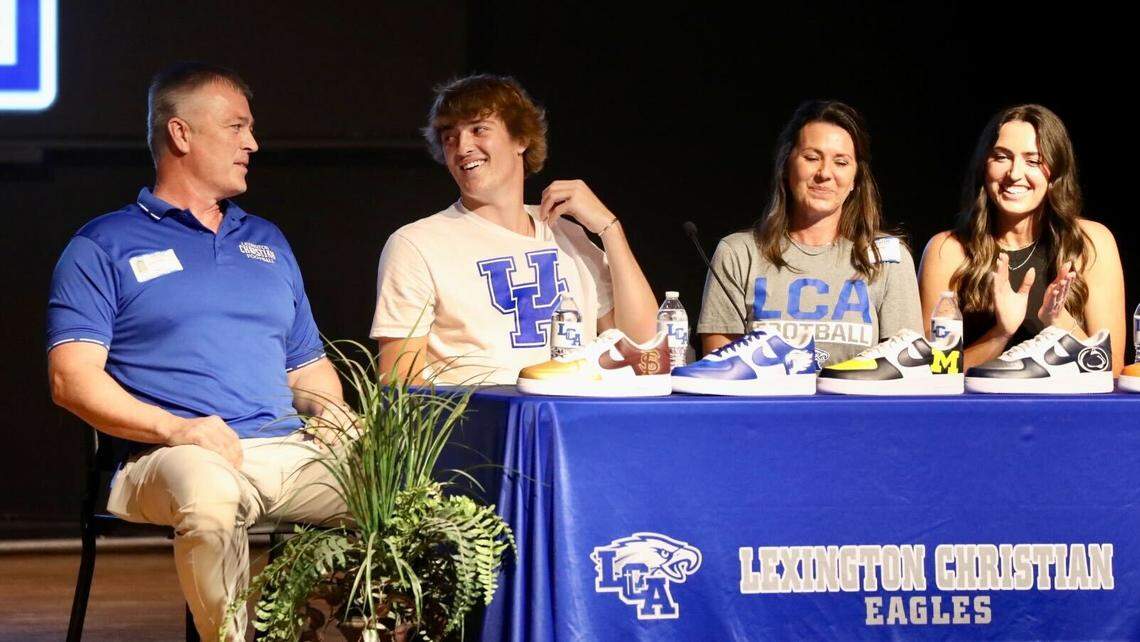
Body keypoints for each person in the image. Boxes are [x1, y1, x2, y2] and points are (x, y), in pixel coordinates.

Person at [47, 63, 349, 642]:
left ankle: (310, 624)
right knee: (209, 493)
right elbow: (71, 380)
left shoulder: (268, 242)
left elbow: (306, 367)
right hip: (163, 458)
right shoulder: (102, 245)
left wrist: (332, 414)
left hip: (284, 449)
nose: (252, 144)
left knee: (399, 490)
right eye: (237, 127)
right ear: (182, 135)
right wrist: (176, 429)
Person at [371, 74, 658, 384]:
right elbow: (400, 382)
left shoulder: (567, 236)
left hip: (572, 426)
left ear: (521, 139)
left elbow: (643, 345)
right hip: (479, 429)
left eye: (478, 129)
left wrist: (609, 228)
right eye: (450, 136)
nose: (463, 146)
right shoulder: (417, 244)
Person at [697, 100, 922, 365]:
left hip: (856, 406)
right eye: (812, 158)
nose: (825, 173)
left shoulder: (888, 257)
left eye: (841, 162)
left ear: (855, 180)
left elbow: (907, 365)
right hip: (768, 406)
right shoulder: (738, 253)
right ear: (786, 166)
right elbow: (721, 369)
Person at [918, 104, 1125, 373]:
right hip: (976, 412)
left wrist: (1057, 320)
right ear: (984, 165)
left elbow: (1111, 370)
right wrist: (1000, 333)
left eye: (1033, 161)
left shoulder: (1091, 242)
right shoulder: (947, 250)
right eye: (1002, 157)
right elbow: (930, 371)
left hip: (1068, 413)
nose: (1015, 174)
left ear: (1057, 172)